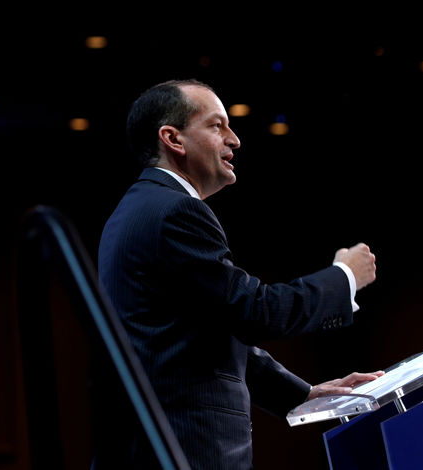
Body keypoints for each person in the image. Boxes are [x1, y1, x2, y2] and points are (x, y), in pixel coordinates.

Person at [92, 79, 381, 469]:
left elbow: (209, 329)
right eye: (217, 125)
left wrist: (304, 394)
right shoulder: (176, 211)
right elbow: (254, 311)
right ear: (173, 139)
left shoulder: (134, 212)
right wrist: (344, 276)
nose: (235, 139)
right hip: (185, 451)